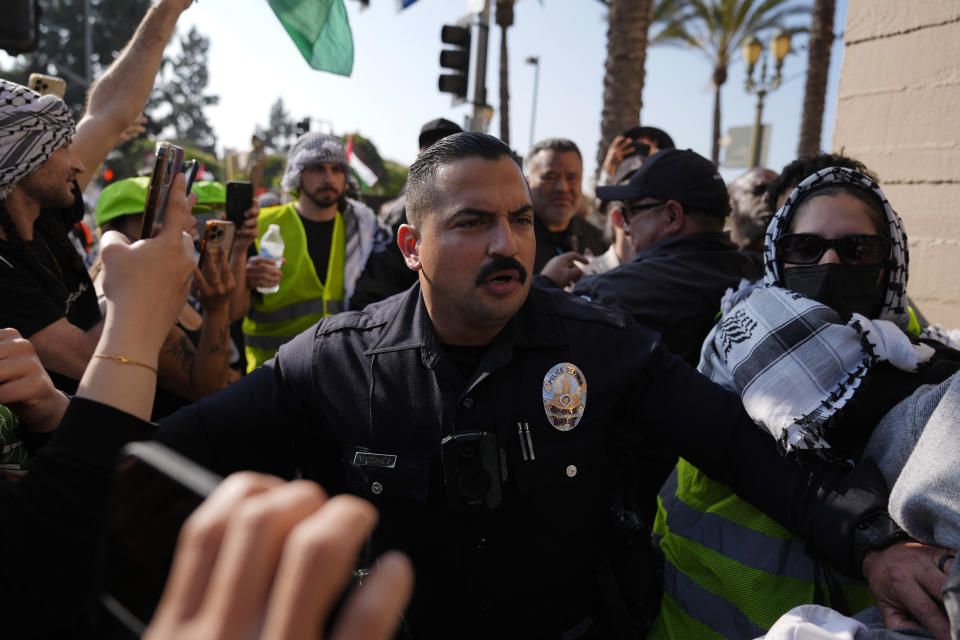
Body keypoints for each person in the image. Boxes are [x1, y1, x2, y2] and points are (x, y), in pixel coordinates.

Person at [156, 133, 923, 640]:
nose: (506, 244)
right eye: (471, 223)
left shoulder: (603, 346)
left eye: (521, 221)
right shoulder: (331, 361)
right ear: (410, 246)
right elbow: (166, 465)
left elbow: (737, 445)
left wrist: (874, 543)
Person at [650, 166, 960, 640]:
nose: (830, 263)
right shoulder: (743, 341)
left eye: (857, 249)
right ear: (779, 255)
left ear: (889, 261)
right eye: (806, 248)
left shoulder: (910, 346)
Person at [0, 0, 195, 393]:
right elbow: (88, 358)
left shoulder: (43, 209)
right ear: (20, 163)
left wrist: (167, 10)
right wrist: (153, 270)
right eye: (61, 147)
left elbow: (109, 112)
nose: (78, 162)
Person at [573, 148, 762, 366]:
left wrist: (544, 285)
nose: (627, 226)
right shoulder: (766, 273)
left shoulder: (609, 293)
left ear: (673, 216)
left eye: (630, 211)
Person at [92, 176, 242, 416]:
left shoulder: (159, 285)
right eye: (169, 215)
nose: (192, 221)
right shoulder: (126, 300)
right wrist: (217, 309)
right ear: (118, 232)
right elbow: (208, 391)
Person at [238, 132, 385, 371]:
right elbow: (232, 311)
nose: (329, 178)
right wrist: (244, 278)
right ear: (297, 174)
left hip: (334, 376)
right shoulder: (261, 224)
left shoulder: (361, 231)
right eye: (317, 169)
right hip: (269, 377)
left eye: (337, 169)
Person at [350, 117, 462, 310]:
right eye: (430, 151)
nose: (438, 161)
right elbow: (374, 291)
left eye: (449, 152)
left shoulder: (489, 205)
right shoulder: (398, 215)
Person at [524, 138, 607, 275]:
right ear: (527, 182)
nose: (562, 188)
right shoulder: (510, 243)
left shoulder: (599, 241)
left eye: (571, 178)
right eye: (550, 177)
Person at [598, 125, 675, 187]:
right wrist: (609, 165)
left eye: (645, 147)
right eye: (638, 145)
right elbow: (602, 200)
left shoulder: (665, 168)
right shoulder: (621, 166)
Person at [728, 166, 778, 254]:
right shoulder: (706, 255)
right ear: (730, 201)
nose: (769, 197)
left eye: (776, 192)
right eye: (757, 191)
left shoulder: (791, 260)